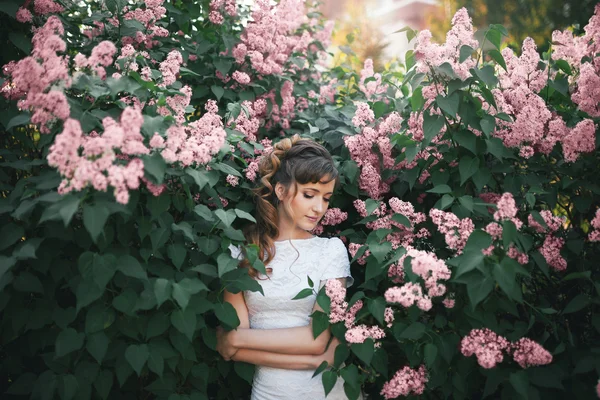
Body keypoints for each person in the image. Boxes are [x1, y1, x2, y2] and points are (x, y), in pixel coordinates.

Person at [216, 134, 355, 399]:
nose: (318, 208)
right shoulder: (241, 253)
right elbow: (228, 350)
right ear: (280, 190)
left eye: (326, 198)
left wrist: (236, 339)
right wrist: (314, 359)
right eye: (310, 194)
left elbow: (317, 340)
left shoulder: (331, 251)